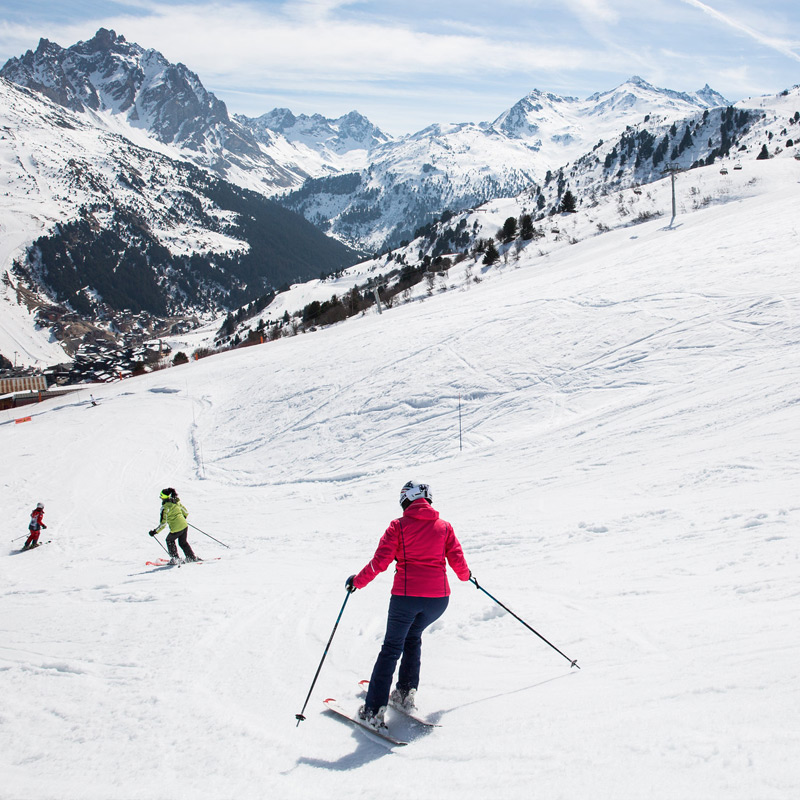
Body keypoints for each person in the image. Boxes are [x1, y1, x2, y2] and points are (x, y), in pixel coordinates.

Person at [346, 480, 471, 731]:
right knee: (413, 637)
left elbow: (379, 562)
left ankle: (373, 710)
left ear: (407, 499)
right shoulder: (444, 527)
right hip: (438, 601)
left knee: (391, 648)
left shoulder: (398, 526)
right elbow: (458, 562)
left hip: (406, 598)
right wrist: (468, 577)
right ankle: (404, 693)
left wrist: (357, 582)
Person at [149, 488, 199, 564]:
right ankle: (191, 557)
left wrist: (155, 532)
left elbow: (163, 523)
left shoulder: (165, 507)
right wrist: (182, 518)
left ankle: (175, 559)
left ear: (165, 497)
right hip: (184, 525)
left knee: (169, 540)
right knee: (183, 542)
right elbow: (185, 512)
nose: (160, 497)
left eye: (161, 495)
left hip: (176, 528)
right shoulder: (176, 502)